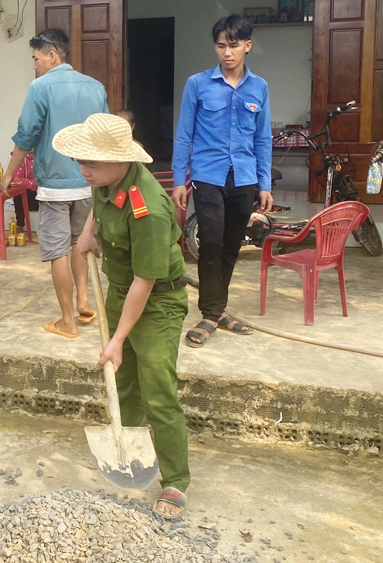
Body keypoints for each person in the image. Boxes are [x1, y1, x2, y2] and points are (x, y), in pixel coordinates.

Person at [61, 113, 191, 519]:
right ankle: (125, 449)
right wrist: (87, 233)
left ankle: (175, 479)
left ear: (122, 161)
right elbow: (100, 212)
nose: (85, 170)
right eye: (81, 161)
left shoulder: (147, 208)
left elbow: (145, 282)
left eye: (93, 163)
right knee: (124, 381)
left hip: (155, 302)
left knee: (158, 389)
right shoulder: (105, 181)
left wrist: (117, 338)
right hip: (120, 292)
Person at [0, 28, 109, 339]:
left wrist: (8, 173)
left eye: (36, 59)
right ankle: (84, 302)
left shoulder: (40, 88)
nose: (34, 65)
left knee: (58, 250)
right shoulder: (96, 88)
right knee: (79, 243)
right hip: (89, 182)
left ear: (52, 56)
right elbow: (103, 136)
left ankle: (67, 321)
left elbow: (26, 135)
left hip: (54, 186)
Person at [171, 15, 273, 348]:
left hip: (243, 177)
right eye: (220, 45)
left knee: (232, 246)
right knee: (210, 243)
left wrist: (265, 183)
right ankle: (209, 312)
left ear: (247, 46)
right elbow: (183, 135)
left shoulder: (259, 87)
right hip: (207, 176)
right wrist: (178, 180)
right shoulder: (197, 84)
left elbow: (262, 139)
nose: (226, 52)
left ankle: (218, 310)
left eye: (233, 45)